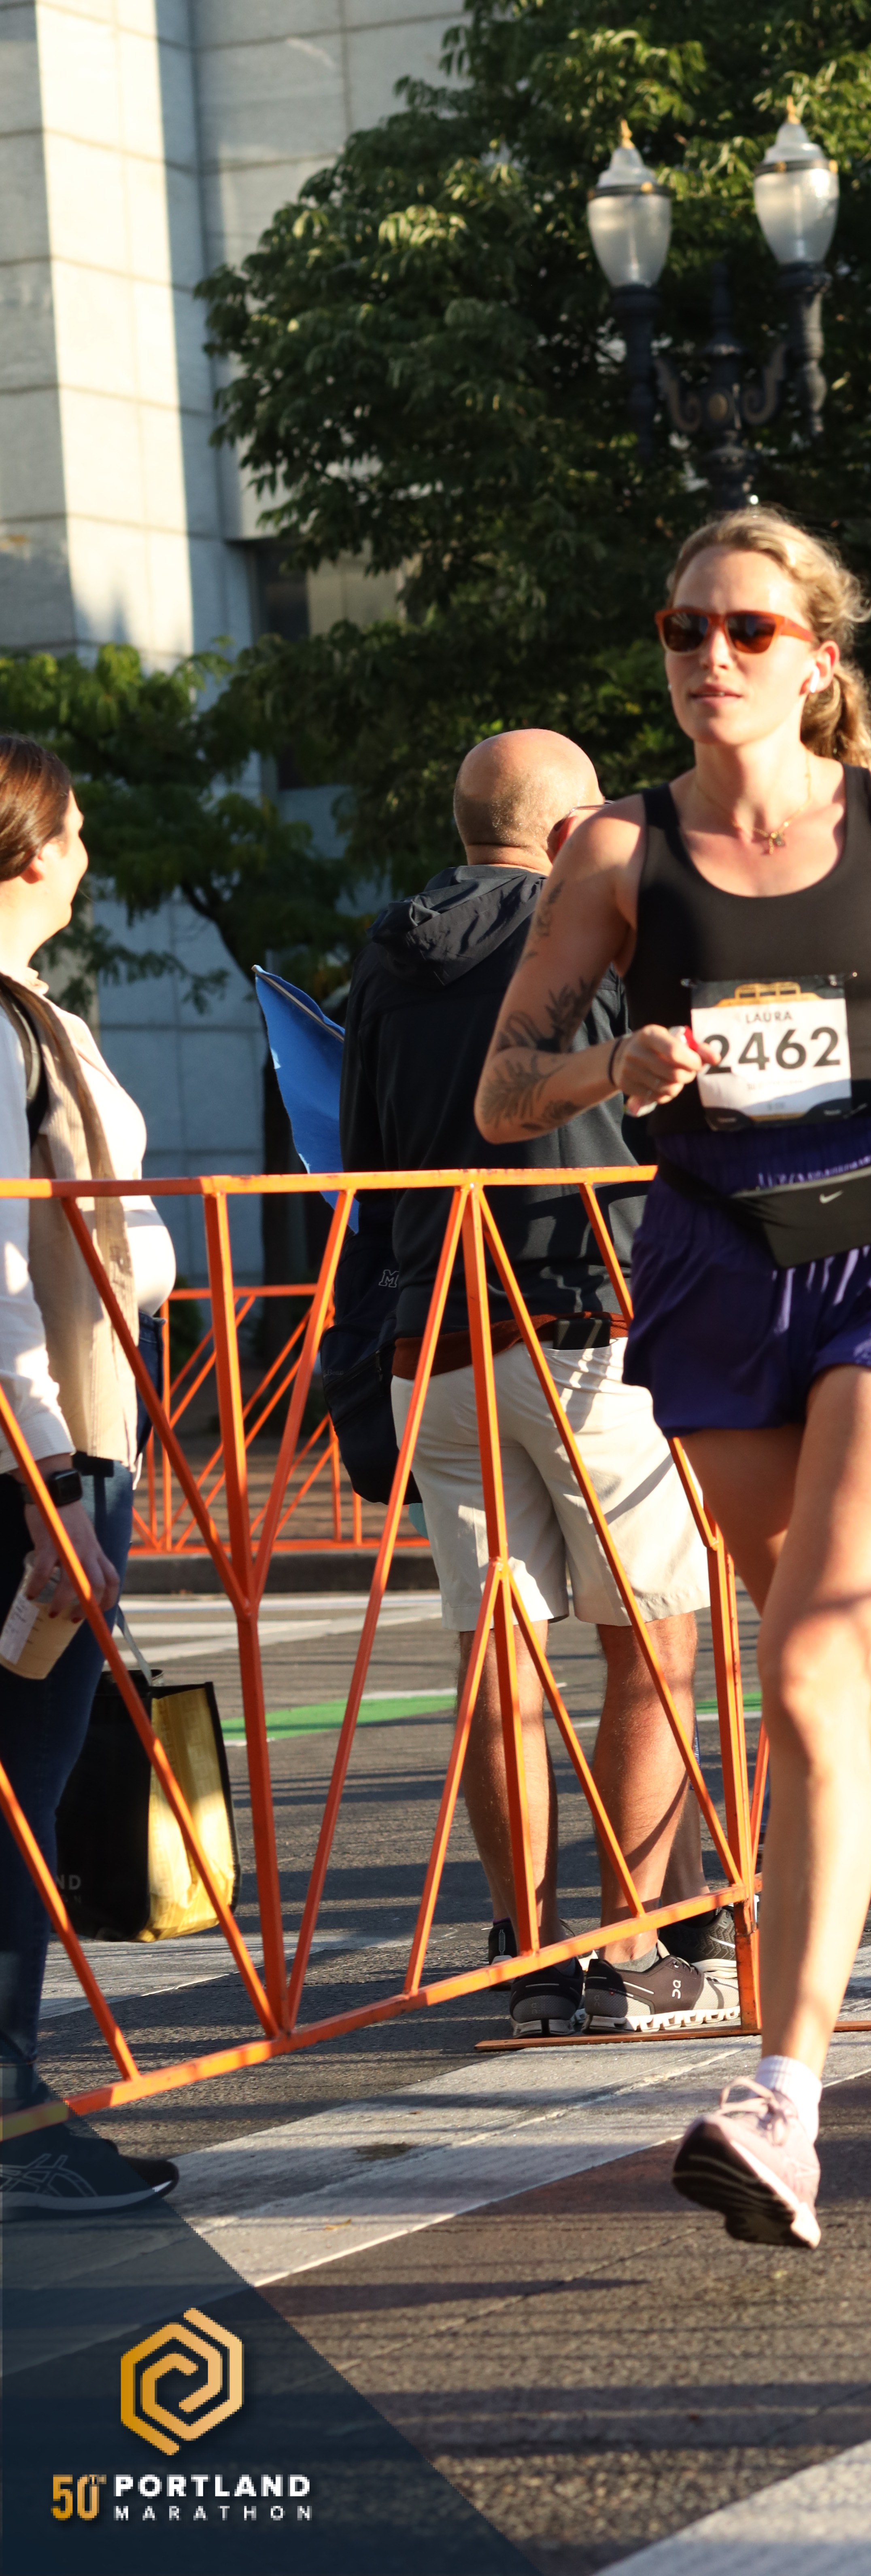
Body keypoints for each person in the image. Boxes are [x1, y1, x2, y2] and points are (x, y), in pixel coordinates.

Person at [475, 505, 871, 2250]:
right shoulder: (615, 852)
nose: (708, 656)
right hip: (716, 1271)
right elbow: (504, 1091)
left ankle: (782, 2097)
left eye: (745, 628)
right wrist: (615, 1064)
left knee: (809, 1653)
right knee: (830, 1664)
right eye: (684, 627)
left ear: (816, 655)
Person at [340, 729, 719, 2037]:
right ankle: (635, 1955)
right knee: (652, 1640)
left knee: (496, 1652)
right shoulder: (592, 929)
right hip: (584, 1315)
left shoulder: (386, 954)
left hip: (431, 1336)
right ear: (568, 836)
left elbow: (360, 1158)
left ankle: (533, 1959)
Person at [0, 735, 180, 2215]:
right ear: (27, 846)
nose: (85, 856)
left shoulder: (35, 1012)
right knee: (18, 1788)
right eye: (72, 830)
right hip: (43, 1446)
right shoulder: (5, 1027)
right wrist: (52, 1472)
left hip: (66, 1433)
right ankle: (13, 2120)